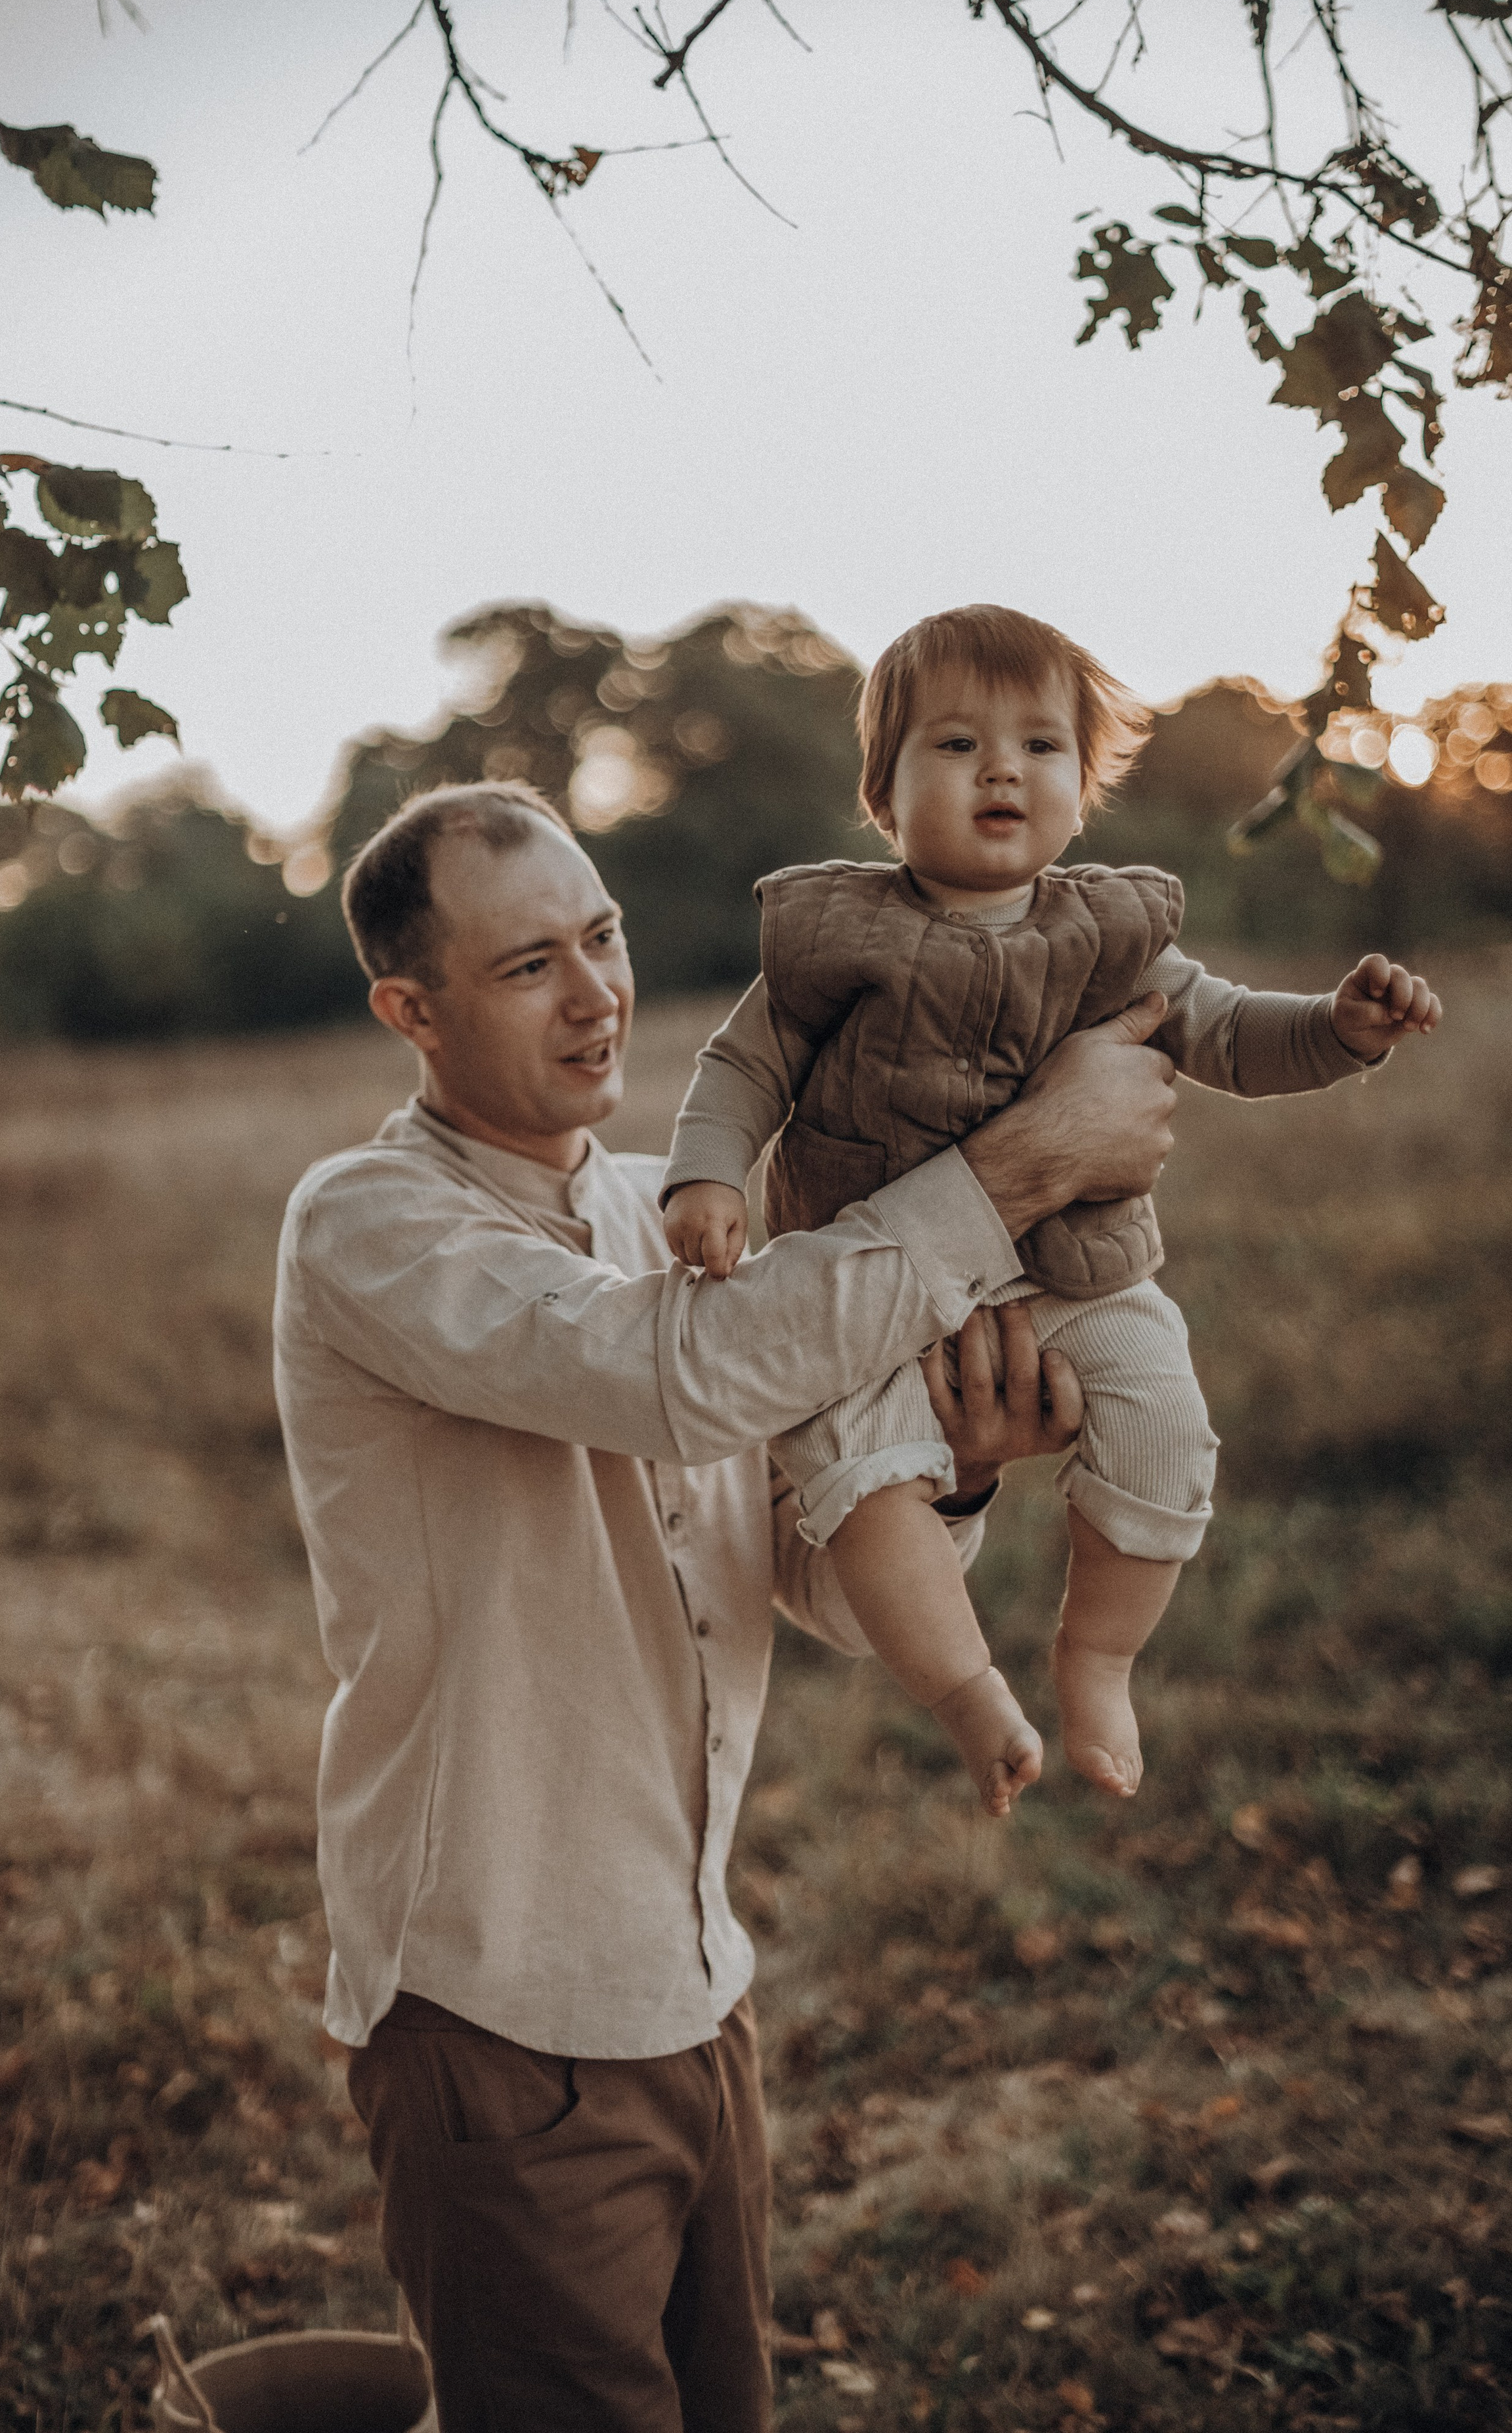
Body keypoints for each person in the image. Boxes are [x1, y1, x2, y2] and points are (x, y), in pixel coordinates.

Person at [272, 775, 1176, 2433]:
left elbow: (810, 1568)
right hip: (494, 2002)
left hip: (693, 1985)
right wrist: (1023, 1163)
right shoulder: (368, 1225)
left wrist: (952, 1480)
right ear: (410, 1010)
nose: (598, 992)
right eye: (527, 964)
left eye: (602, 937)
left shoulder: (663, 1204)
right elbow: (676, 1382)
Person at [662, 602, 1443, 1822]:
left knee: (1162, 1416)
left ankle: (1100, 1658)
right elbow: (739, 1070)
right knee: (858, 1485)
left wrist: (1339, 1032)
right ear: (884, 792)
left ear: (1084, 788)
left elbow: (1234, 1034)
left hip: (1079, 1278)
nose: (1002, 771)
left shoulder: (1111, 938)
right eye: (957, 744)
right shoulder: (833, 938)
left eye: (1039, 747)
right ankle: (969, 1694)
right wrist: (707, 1176)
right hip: (868, 1291)